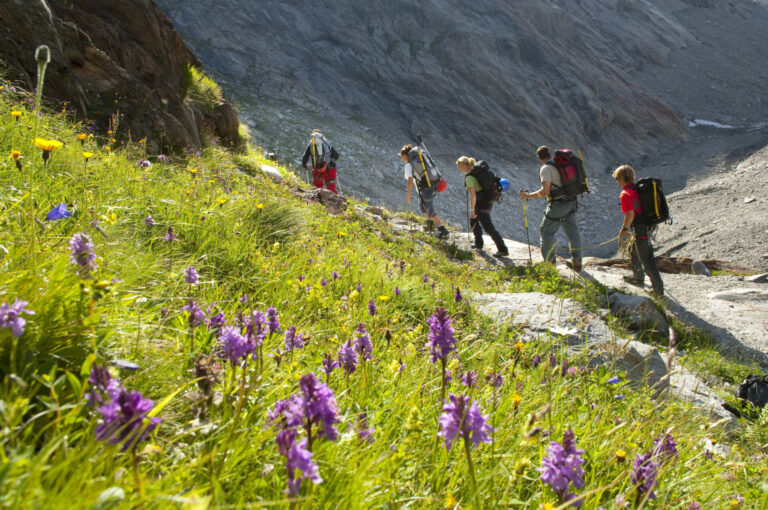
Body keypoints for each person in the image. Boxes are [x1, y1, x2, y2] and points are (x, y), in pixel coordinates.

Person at [519, 145, 582, 271]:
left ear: (539, 157)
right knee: (572, 232)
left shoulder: (546, 169)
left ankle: (549, 264)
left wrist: (527, 196)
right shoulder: (560, 164)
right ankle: (577, 262)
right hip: (571, 201)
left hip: (558, 204)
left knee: (546, 231)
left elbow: (545, 191)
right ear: (550, 154)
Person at [613, 164, 664, 296]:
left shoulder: (625, 194)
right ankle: (638, 277)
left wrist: (624, 228)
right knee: (633, 251)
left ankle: (658, 290)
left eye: (617, 178)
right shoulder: (637, 190)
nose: (617, 181)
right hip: (646, 226)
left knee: (646, 259)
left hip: (640, 229)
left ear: (623, 178)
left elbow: (630, 214)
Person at [456, 156, 509, 257]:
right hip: (487, 202)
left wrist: (472, 209)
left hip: (481, 203)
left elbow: (473, 195)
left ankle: (503, 249)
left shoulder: (469, 177)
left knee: (488, 227)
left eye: (459, 166)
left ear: (463, 165)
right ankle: (478, 244)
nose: (459, 169)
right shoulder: (475, 173)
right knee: (474, 221)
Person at [400, 144, 449, 239]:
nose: (402, 159)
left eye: (402, 157)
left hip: (425, 188)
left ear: (405, 155)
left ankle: (443, 230)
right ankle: (430, 226)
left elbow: (410, 181)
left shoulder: (409, 165)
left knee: (430, 209)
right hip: (429, 186)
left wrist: (408, 194)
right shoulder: (417, 161)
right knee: (422, 207)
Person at [302, 129, 340, 194]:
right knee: (331, 189)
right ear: (321, 135)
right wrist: (331, 161)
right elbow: (336, 156)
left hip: (318, 169)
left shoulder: (311, 144)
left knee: (318, 187)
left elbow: (305, 157)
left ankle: (318, 201)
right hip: (331, 168)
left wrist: (304, 165)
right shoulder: (326, 143)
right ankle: (334, 202)